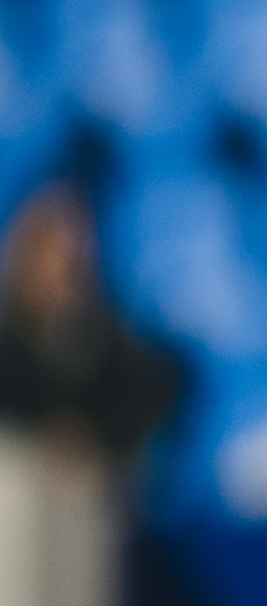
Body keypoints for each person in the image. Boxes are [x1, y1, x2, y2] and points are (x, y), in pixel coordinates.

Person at [0, 185, 178, 466]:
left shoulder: (102, 330)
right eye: (43, 249)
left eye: (62, 252)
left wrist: (89, 434)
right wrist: (43, 429)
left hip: (86, 477)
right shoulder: (7, 330)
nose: (52, 264)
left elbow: (141, 399)